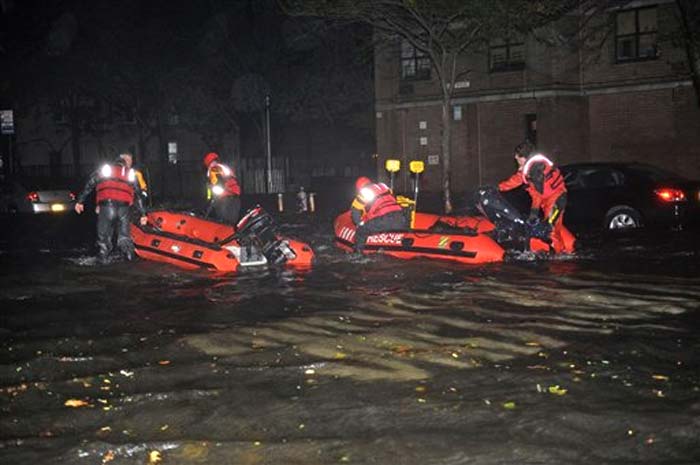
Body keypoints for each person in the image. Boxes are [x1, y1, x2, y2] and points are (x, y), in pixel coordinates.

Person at [498, 141, 574, 253]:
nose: (515, 157)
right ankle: (561, 251)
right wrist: (497, 188)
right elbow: (515, 181)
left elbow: (537, 194)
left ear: (524, 157)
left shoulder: (536, 170)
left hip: (556, 199)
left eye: (518, 155)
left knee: (550, 230)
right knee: (550, 227)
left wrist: (533, 213)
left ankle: (558, 260)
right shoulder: (529, 169)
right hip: (549, 201)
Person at [74, 152, 148, 264]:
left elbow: (90, 184)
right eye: (129, 161)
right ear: (124, 162)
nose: (130, 164)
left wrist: (80, 201)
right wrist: (143, 214)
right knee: (124, 236)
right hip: (124, 208)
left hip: (107, 207)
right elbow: (138, 195)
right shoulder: (130, 174)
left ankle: (103, 259)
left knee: (104, 237)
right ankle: (129, 259)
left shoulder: (105, 170)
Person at [351, 176, 408, 252]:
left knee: (361, 231)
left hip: (384, 219)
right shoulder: (383, 186)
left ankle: (357, 254)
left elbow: (355, 211)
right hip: (401, 217)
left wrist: (359, 224)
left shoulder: (364, 192)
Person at [203, 152, 241, 225]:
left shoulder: (215, 169)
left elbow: (216, 184)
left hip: (226, 197)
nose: (213, 164)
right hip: (233, 196)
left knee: (224, 220)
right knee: (230, 220)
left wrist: (211, 198)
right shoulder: (222, 168)